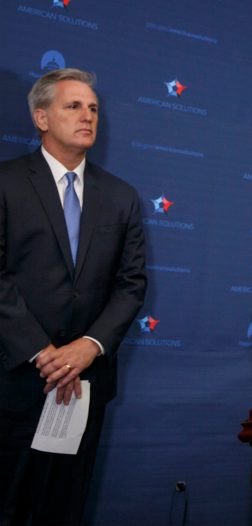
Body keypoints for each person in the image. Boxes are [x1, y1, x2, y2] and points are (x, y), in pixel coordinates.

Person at [0, 68, 147, 525]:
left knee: (62, 512)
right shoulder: (5, 182)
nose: (88, 116)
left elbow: (131, 284)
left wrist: (89, 347)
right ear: (41, 118)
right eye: (74, 106)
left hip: (85, 387)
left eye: (94, 108)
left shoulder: (122, 197)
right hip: (15, 383)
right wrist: (41, 352)